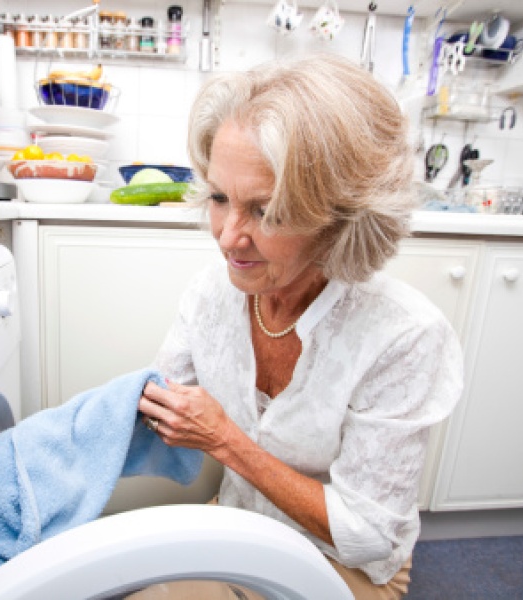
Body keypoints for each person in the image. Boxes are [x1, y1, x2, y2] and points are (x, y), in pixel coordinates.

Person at [136, 54, 463, 600]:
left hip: (341, 561)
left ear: (341, 219)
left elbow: (367, 536)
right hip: (239, 522)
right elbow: (158, 402)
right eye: (220, 198)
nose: (227, 237)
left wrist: (225, 440)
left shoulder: (403, 336)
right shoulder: (213, 294)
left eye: (266, 211)